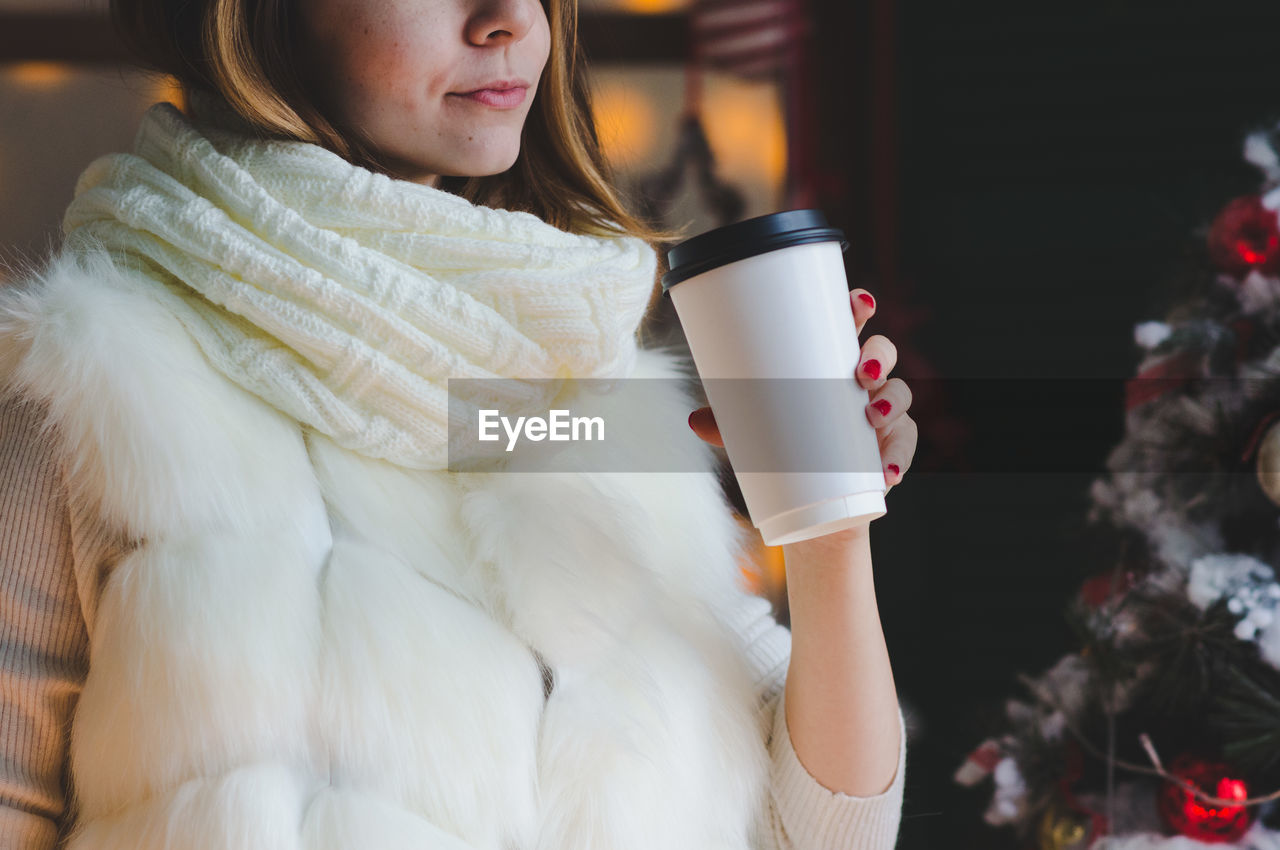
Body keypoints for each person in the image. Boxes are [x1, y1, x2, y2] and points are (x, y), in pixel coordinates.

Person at [0, 0, 918, 846]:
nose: (508, 18)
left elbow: (827, 834)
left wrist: (833, 531)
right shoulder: (93, 379)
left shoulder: (587, 392)